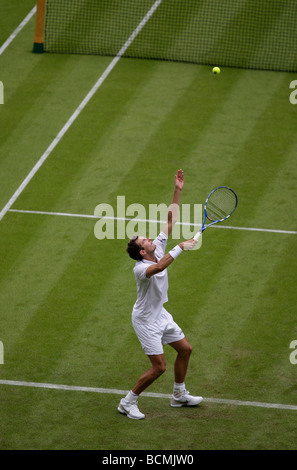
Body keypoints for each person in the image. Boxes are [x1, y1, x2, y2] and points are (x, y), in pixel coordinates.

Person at [118, 169, 203, 420]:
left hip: (160, 314)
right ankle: (127, 402)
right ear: (143, 252)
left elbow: (170, 219)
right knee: (159, 368)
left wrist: (178, 189)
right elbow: (159, 267)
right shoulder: (141, 269)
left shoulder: (157, 247)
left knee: (185, 349)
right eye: (145, 240)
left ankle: (178, 395)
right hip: (145, 321)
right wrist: (181, 246)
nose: (149, 238)